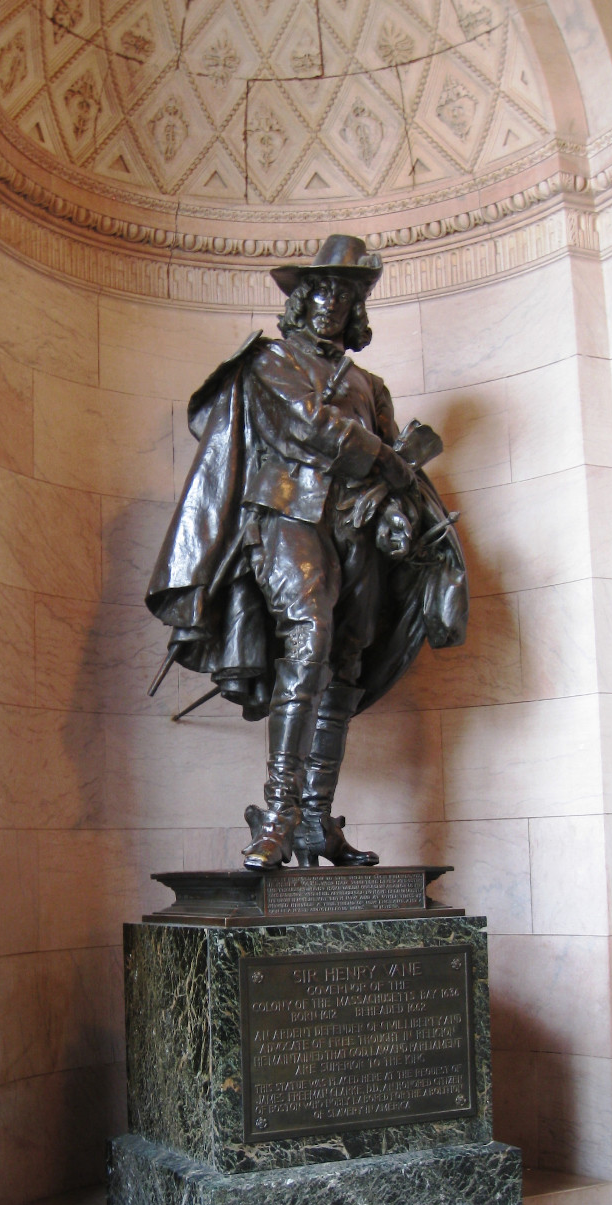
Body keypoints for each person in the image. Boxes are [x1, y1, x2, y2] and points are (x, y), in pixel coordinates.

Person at [146, 235, 467, 871]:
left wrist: (397, 503)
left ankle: (317, 818)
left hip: (356, 530)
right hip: (288, 515)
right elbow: (311, 427)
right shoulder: (269, 362)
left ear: (355, 311)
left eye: (344, 295)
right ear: (299, 300)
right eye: (320, 291)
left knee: (344, 662)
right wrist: (390, 463)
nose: (330, 304)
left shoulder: (370, 385)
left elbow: (385, 467)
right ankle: (279, 811)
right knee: (309, 638)